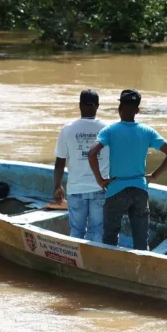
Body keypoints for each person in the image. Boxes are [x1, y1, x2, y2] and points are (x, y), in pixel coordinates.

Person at [87, 89, 167, 250]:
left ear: (119, 108)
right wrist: (154, 176)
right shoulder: (147, 132)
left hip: (116, 189)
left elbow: (92, 153)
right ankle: (141, 270)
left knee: (109, 237)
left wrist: (100, 180)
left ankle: (110, 266)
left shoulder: (110, 131)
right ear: (137, 110)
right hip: (140, 190)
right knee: (141, 240)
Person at [53, 89, 109, 243]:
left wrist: (58, 186)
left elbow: (60, 162)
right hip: (101, 188)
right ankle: (95, 264)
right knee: (98, 231)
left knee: (77, 231)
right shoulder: (108, 129)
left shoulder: (67, 129)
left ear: (79, 105)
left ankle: (77, 262)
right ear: (98, 106)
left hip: (76, 189)